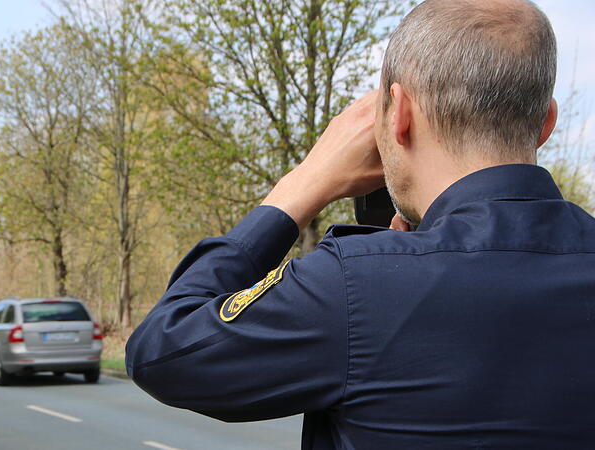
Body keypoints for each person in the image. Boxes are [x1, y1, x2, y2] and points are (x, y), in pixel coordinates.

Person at [125, 0, 595, 448]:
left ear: (401, 114)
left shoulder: (352, 285)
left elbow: (163, 351)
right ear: (546, 122)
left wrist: (305, 181)